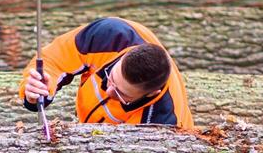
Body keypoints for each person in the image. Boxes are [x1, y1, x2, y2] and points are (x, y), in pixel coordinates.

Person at [19, 17, 193, 128]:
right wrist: (38, 90)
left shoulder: (161, 123)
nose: (109, 91)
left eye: (121, 94)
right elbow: (52, 58)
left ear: (150, 94)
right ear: (125, 55)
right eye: (111, 79)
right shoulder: (110, 36)